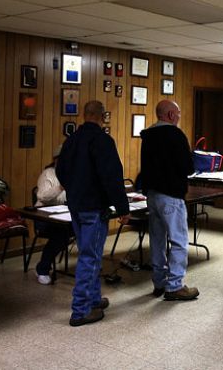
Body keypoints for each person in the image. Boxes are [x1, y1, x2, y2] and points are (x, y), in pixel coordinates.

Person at [57, 100, 130, 326]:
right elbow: (112, 177)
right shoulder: (103, 141)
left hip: (76, 206)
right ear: (102, 116)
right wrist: (123, 208)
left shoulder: (71, 140)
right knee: (90, 257)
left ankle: (94, 299)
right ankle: (81, 310)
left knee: (89, 253)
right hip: (94, 208)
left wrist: (74, 191)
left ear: (84, 114)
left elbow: (60, 171)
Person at [138, 100, 199, 301]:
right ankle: (175, 286)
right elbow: (188, 167)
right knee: (179, 241)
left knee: (157, 240)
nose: (179, 116)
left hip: (152, 195)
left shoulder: (147, 135)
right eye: (178, 113)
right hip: (171, 195)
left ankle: (159, 282)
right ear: (171, 115)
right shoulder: (176, 135)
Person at [32, 144, 68, 285]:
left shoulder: (71, 173)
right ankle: (42, 268)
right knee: (60, 235)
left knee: (81, 228)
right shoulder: (48, 174)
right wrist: (60, 187)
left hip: (62, 215)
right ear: (56, 160)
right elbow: (42, 196)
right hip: (43, 217)